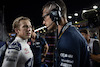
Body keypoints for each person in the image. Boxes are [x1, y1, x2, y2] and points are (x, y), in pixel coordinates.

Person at [42, 0, 90, 67]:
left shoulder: (68, 39)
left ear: (54, 14)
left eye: (44, 17)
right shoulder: (68, 33)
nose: (43, 22)